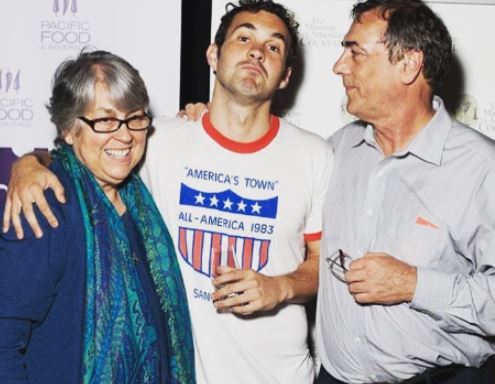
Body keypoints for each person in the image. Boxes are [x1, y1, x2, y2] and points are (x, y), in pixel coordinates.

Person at [2, 1, 333, 383]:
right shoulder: (162, 140)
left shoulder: (315, 154)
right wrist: (28, 163)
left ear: (287, 75)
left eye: (273, 46)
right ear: (213, 54)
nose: (257, 51)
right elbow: (82, 153)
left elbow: (323, 265)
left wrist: (280, 287)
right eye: (244, 37)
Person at [316, 0, 495, 383]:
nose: (339, 66)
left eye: (356, 52)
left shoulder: (482, 168)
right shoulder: (334, 150)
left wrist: (414, 284)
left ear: (409, 64)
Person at [0, 50, 195, 383]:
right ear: (70, 129)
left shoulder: (140, 200)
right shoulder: (46, 210)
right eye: (105, 120)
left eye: (135, 117)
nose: (124, 135)